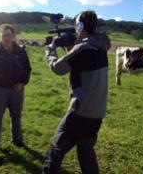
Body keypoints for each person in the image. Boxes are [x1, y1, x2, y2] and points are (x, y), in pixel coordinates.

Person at [42, 11, 111, 174]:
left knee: (55, 151)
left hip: (79, 113)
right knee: (86, 154)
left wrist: (50, 50)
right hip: (97, 114)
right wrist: (72, 47)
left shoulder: (83, 48)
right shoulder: (101, 47)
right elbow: (80, 63)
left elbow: (58, 68)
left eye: (76, 26)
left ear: (80, 26)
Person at [0, 24, 31, 149]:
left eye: (8, 35)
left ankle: (17, 140)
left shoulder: (21, 51)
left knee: (16, 116)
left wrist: (22, 83)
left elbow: (27, 70)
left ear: (13, 36)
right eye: (3, 35)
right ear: (0, 36)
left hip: (16, 90)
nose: (5, 38)